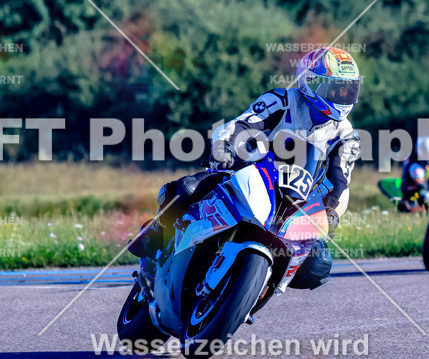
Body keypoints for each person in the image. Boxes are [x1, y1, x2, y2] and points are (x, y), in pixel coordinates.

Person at [129, 47, 363, 289]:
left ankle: (256, 289)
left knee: (319, 265)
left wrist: (331, 214)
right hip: (248, 173)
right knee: (186, 189)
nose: (341, 95)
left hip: (296, 202)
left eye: (347, 89)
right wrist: (225, 150)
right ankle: (157, 234)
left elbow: (340, 181)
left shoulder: (347, 136)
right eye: (334, 87)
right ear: (310, 81)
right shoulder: (282, 100)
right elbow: (241, 124)